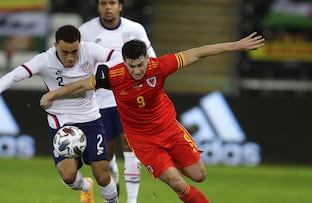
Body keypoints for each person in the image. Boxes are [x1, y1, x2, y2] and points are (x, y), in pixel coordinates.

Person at [40, 32, 265, 203]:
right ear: (124, 62)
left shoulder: (160, 66)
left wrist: (236, 45)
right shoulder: (114, 76)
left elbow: (199, 51)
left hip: (169, 129)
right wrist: (53, 94)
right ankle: (169, 171)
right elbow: (81, 85)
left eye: (140, 64)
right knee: (177, 182)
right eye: (132, 66)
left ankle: (171, 161)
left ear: (147, 58)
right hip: (143, 141)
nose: (137, 70)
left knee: (199, 175)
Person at [0, 25, 121, 203]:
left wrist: (104, 66)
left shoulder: (90, 50)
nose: (71, 57)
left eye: (75, 51)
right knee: (68, 176)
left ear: (80, 44)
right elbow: (16, 74)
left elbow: (118, 56)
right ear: (55, 45)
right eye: (65, 52)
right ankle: (86, 188)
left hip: (90, 119)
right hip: (61, 123)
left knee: (102, 174)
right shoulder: (45, 60)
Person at [78, 0, 156, 202]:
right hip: (99, 101)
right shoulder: (85, 31)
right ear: (98, 7)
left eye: (112, 2)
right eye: (103, 3)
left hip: (129, 100)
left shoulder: (135, 29)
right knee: (106, 155)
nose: (108, 7)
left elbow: (152, 60)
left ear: (120, 6)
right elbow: (78, 66)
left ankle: (131, 200)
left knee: (130, 148)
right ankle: (113, 180)